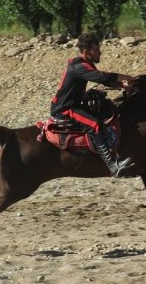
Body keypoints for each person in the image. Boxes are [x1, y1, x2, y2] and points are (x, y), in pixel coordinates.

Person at [51, 33, 135, 178]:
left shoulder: (85, 65)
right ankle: (113, 166)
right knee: (95, 125)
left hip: (75, 105)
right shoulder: (78, 66)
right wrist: (130, 78)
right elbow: (102, 76)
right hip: (65, 109)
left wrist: (121, 85)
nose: (100, 52)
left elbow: (105, 81)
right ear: (86, 52)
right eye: (96, 50)